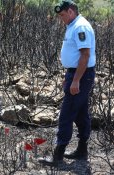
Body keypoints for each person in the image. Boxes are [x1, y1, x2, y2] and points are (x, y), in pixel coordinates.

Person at [39, 0, 96, 166]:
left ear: (71, 11)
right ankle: (82, 151)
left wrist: (76, 80)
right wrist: (70, 75)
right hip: (76, 73)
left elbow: (85, 55)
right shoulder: (73, 25)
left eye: (63, 15)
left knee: (66, 114)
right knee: (80, 112)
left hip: (82, 75)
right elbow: (76, 56)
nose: (61, 18)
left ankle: (58, 156)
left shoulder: (80, 27)